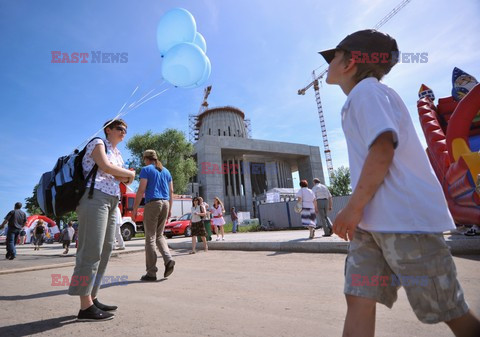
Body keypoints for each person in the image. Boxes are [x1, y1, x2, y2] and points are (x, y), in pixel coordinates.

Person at [319, 29, 480, 336]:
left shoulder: (367, 92)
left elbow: (382, 149)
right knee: (359, 296)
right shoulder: (364, 96)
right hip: (373, 223)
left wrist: (352, 208)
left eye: (333, 56)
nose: (329, 63)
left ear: (350, 62)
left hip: (405, 221)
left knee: (448, 309)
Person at [68, 119, 135, 322]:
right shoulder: (97, 142)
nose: (124, 132)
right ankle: (84, 306)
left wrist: (123, 175)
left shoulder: (118, 154)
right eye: (120, 128)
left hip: (112, 200)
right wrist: (129, 174)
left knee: (106, 249)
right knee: (91, 249)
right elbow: (105, 167)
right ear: (108, 129)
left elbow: (119, 176)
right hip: (93, 197)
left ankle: (93, 296)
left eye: (125, 130)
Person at [132, 149, 175, 282]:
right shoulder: (166, 171)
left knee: (150, 237)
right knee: (159, 235)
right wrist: (170, 209)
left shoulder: (146, 169)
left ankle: (151, 273)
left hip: (153, 203)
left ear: (146, 158)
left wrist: (134, 209)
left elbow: (141, 190)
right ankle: (168, 259)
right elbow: (171, 191)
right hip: (165, 203)